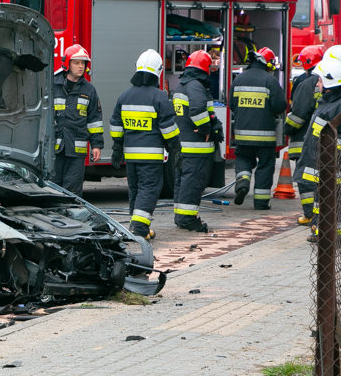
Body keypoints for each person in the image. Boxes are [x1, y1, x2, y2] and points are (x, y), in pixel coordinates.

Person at [110, 49, 180, 238]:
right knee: (149, 189)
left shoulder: (125, 96)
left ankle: (137, 226)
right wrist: (175, 148)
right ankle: (139, 229)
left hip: (131, 156)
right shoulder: (159, 96)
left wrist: (117, 149)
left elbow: (116, 125)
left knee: (135, 189)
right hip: (151, 156)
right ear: (158, 71)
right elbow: (168, 128)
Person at [293, 57, 341, 243]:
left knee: (332, 203)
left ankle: (333, 236)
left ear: (329, 82)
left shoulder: (340, 106)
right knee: (320, 202)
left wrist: (331, 153)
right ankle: (320, 230)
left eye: (321, 80)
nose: (318, 84)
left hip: (330, 167)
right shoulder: (328, 103)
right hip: (321, 165)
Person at [229, 46, 285, 209]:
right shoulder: (270, 81)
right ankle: (260, 203)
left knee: (243, 159)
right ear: (266, 64)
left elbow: (232, 104)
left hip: (242, 135)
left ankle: (243, 183)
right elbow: (279, 106)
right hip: (265, 136)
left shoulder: (238, 79)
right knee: (265, 166)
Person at [172, 50, 222, 232]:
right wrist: (206, 128)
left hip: (182, 144)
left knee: (182, 181)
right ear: (205, 68)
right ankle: (187, 219)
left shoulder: (183, 85)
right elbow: (198, 110)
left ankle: (180, 216)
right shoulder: (196, 86)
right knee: (192, 182)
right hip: (196, 147)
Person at [52, 44, 103, 195]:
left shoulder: (89, 90)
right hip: (55, 149)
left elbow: (95, 120)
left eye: (83, 63)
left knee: (72, 191)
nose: (80, 66)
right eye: (76, 62)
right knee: (52, 189)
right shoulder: (52, 85)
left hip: (76, 151)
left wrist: (96, 145)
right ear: (67, 64)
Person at [285, 46, 323, 225]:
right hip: (322, 139)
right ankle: (317, 213)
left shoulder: (306, 83)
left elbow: (298, 115)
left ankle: (310, 214)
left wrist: (286, 128)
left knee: (305, 180)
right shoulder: (325, 81)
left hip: (303, 139)